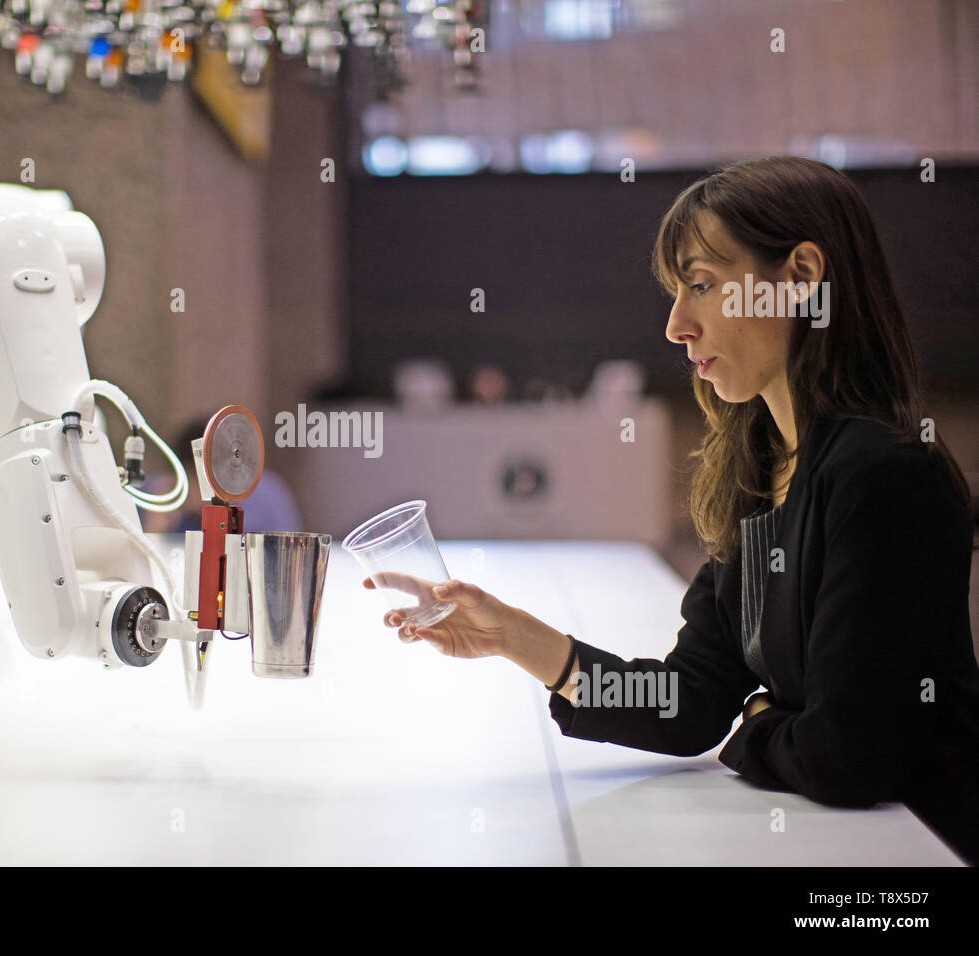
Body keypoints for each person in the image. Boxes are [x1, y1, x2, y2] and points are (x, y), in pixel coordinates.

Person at [365, 156, 979, 865]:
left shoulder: (884, 475)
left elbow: (846, 758)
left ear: (803, 278)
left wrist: (752, 727)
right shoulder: (761, 471)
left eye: (703, 286)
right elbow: (691, 701)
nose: (676, 326)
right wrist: (515, 638)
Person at [138, 416, 302, 534]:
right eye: (194, 480)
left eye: (208, 479)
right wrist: (154, 530)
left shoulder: (266, 497)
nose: (201, 494)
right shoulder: (157, 496)